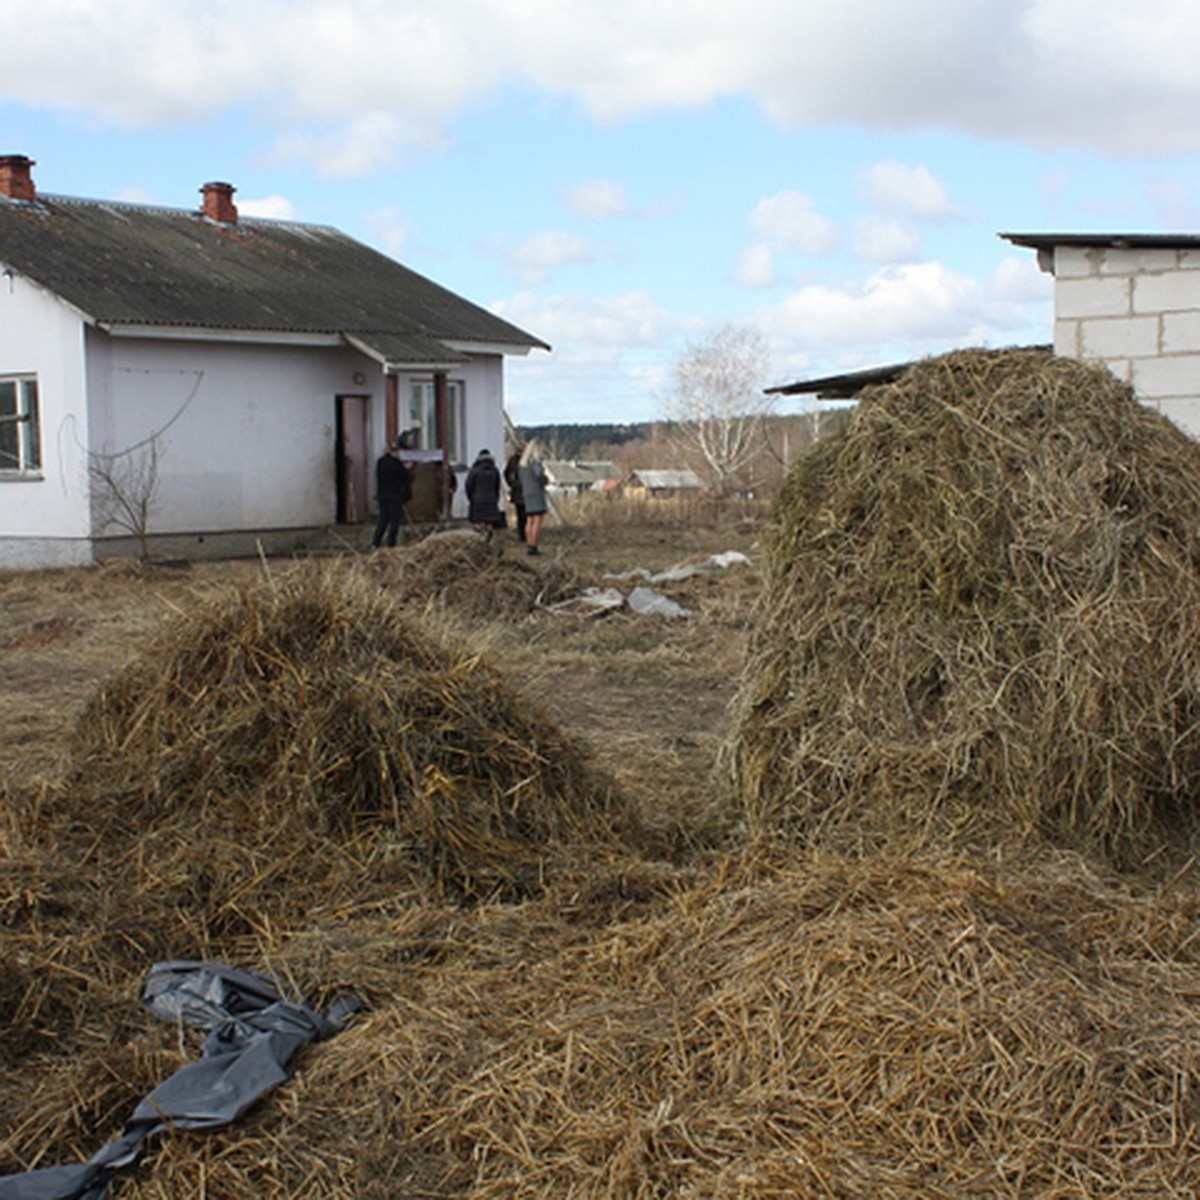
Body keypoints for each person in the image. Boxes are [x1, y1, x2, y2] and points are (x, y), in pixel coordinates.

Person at [371, 438, 413, 549]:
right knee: (395, 520)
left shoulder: (381, 462)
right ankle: (391, 543)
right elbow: (405, 478)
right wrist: (408, 469)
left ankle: (375, 542)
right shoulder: (397, 464)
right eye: (397, 451)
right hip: (395, 496)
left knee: (383, 519)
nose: (397, 453)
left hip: (383, 496)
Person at [517, 439, 549, 556]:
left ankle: (529, 544)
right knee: (537, 520)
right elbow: (539, 476)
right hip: (536, 493)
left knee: (529, 520)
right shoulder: (535, 462)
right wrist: (546, 480)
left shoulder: (522, 464)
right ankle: (534, 546)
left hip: (527, 493)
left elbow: (521, 480)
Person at [464, 448, 503, 536]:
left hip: (477, 501)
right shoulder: (495, 470)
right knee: (489, 524)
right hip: (491, 500)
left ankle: (479, 542)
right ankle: (489, 542)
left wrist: (471, 498)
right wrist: (495, 498)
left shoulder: (474, 471)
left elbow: (468, 486)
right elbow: (497, 486)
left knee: (478, 524)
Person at [504, 445, 527, 542]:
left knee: (525, 515)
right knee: (521, 514)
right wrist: (512, 484)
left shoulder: (514, 461)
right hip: (519, 491)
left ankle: (524, 534)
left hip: (523, 491)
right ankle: (522, 534)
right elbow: (506, 473)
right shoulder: (514, 461)